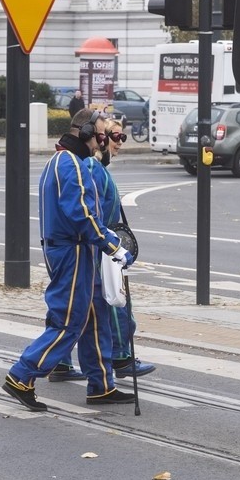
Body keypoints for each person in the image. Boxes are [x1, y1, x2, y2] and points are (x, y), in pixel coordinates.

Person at [2, 109, 136, 411]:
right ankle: (21, 375)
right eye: (101, 134)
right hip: (72, 250)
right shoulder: (70, 164)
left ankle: (101, 384)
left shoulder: (64, 162)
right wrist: (111, 244)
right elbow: (82, 215)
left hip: (75, 249)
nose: (102, 141)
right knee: (69, 320)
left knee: (94, 314)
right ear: (86, 133)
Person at [94, 119, 156, 377]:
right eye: (115, 136)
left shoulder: (94, 168)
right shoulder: (96, 169)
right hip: (104, 246)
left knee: (78, 309)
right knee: (117, 301)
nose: (120, 142)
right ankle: (120, 356)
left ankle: (62, 362)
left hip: (98, 243)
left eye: (123, 137)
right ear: (101, 138)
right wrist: (113, 246)